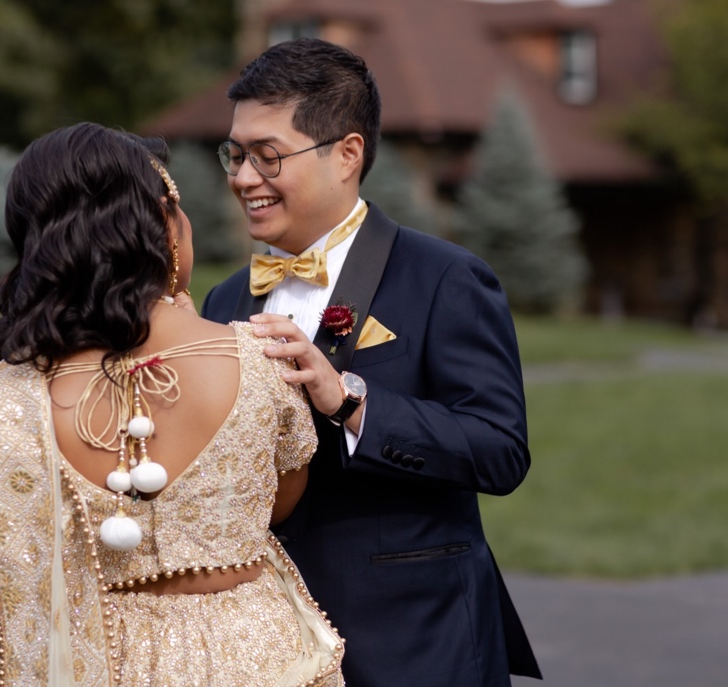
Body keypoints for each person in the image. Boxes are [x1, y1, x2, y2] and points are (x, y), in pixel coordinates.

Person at [198, 38, 542, 685]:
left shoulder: (447, 278)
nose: (243, 176)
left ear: (347, 154)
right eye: (236, 154)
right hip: (265, 648)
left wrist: (351, 399)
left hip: (414, 640)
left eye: (267, 156)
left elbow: (501, 450)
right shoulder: (224, 298)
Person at [0, 122, 344, 686]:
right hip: (261, 659)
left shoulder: (11, 398)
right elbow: (278, 502)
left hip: (110, 666)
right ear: (164, 223)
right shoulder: (262, 359)